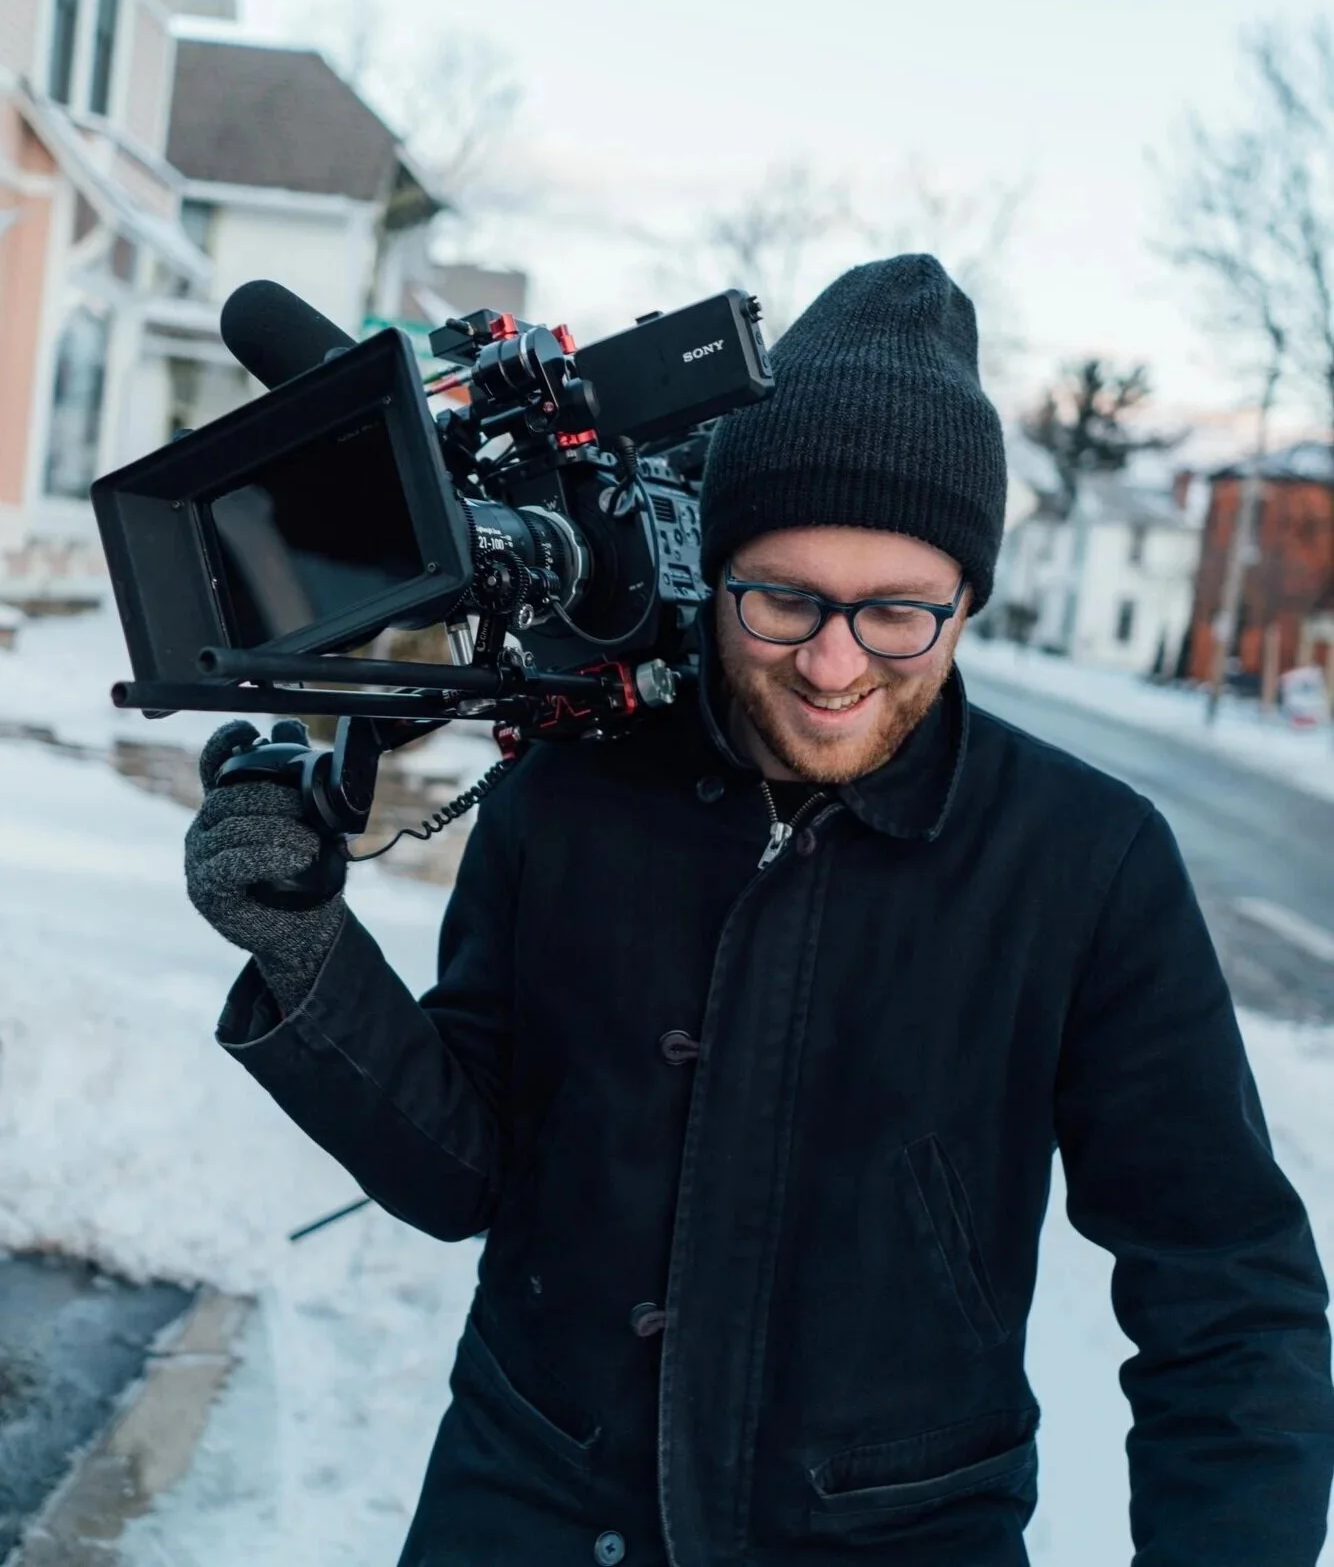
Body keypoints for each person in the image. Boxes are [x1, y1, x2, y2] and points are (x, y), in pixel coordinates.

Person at [184, 255, 1334, 1567]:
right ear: (717, 569)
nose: (834, 663)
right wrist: (309, 953)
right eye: (783, 599)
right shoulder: (567, 792)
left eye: (898, 612)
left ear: (967, 605)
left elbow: (1229, 1302)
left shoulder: (1083, 862)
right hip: (531, 1510)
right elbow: (465, 1173)